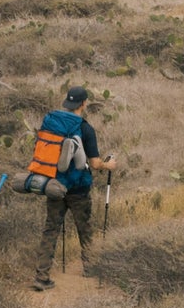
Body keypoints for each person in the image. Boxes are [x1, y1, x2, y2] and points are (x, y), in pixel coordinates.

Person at [30, 85, 119, 291]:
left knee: (51, 229)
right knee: (84, 229)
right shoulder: (85, 128)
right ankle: (90, 268)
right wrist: (109, 165)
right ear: (84, 103)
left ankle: (41, 276)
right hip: (79, 188)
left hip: (54, 185)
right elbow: (95, 163)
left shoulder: (52, 122)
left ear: (67, 102)